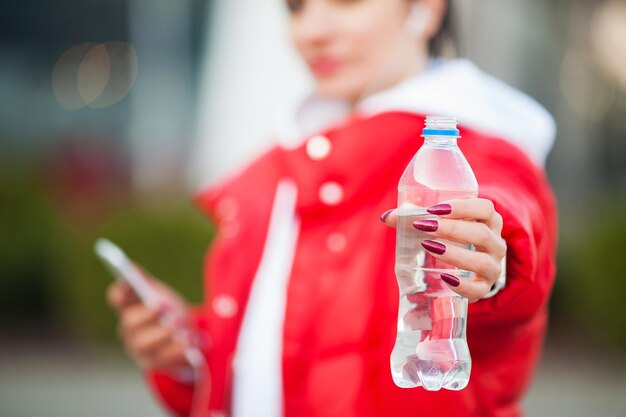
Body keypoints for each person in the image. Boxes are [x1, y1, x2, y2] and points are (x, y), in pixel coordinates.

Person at [107, 0, 557, 416]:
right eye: (296, 6)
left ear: (426, 8)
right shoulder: (279, 171)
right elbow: (271, 363)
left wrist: (491, 256)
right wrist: (187, 354)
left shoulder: (472, 157)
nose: (313, 31)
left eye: (346, 0)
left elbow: (510, 217)